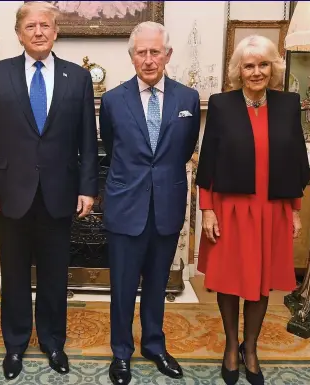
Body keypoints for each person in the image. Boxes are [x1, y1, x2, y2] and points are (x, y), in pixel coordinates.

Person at [0, 1, 99, 380]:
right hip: (10, 193)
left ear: (56, 31)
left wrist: (88, 188)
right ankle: (15, 344)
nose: (39, 31)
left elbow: (87, 141)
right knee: (12, 275)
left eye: (46, 25)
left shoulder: (78, 77)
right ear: (19, 33)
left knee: (55, 275)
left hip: (59, 192)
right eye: (31, 26)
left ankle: (53, 342)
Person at [195, 35, 310, 385]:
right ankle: (231, 347)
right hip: (231, 209)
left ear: (273, 67)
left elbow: (294, 161)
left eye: (263, 64)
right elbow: (208, 164)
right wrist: (207, 211)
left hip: (271, 207)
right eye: (249, 65)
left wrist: (294, 210)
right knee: (230, 281)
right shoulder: (221, 104)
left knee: (261, 284)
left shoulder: (289, 104)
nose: (256, 72)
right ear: (238, 70)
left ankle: (251, 348)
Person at [99, 21, 201, 385]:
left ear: (167, 54)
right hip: (126, 207)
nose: (148, 59)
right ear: (131, 57)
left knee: (158, 284)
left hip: (167, 206)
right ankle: (121, 352)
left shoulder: (188, 99)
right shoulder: (112, 100)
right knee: (123, 286)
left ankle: (154, 345)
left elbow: (184, 150)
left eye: (154, 51)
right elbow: (112, 148)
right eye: (140, 52)